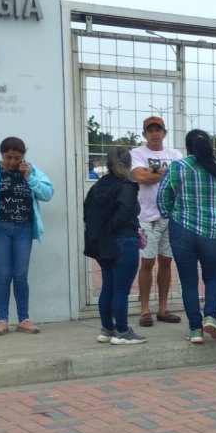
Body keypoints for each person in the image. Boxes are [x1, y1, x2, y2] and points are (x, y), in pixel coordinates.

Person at [158, 129, 216, 343]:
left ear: (187, 147)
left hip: (182, 229)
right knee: (212, 277)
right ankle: (211, 318)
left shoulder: (176, 167)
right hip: (212, 231)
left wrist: (174, 215)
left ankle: (195, 329)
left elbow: (162, 199)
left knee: (188, 281)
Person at [0, 137, 55, 336]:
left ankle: (24, 319)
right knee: (3, 275)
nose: (12, 162)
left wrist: (30, 178)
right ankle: (2, 320)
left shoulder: (31, 170)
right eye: (8, 157)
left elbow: (48, 193)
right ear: (1, 155)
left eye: (17, 158)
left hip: (24, 229)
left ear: (22, 156)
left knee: (21, 275)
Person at [83, 147, 146, 345]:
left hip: (102, 243)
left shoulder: (97, 186)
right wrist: (114, 228)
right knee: (121, 290)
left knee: (108, 287)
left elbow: (87, 213)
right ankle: (122, 331)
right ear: (129, 165)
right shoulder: (127, 187)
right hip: (124, 239)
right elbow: (125, 213)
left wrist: (103, 231)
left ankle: (107, 329)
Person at [130, 115, 184, 327]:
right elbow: (140, 177)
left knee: (166, 262)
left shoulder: (175, 153)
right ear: (144, 134)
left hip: (170, 216)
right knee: (146, 262)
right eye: (150, 131)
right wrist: (167, 172)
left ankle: (162, 308)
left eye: (158, 130)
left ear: (164, 132)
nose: (154, 134)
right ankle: (145, 309)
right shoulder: (137, 153)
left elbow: (180, 177)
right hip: (146, 217)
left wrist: (152, 171)